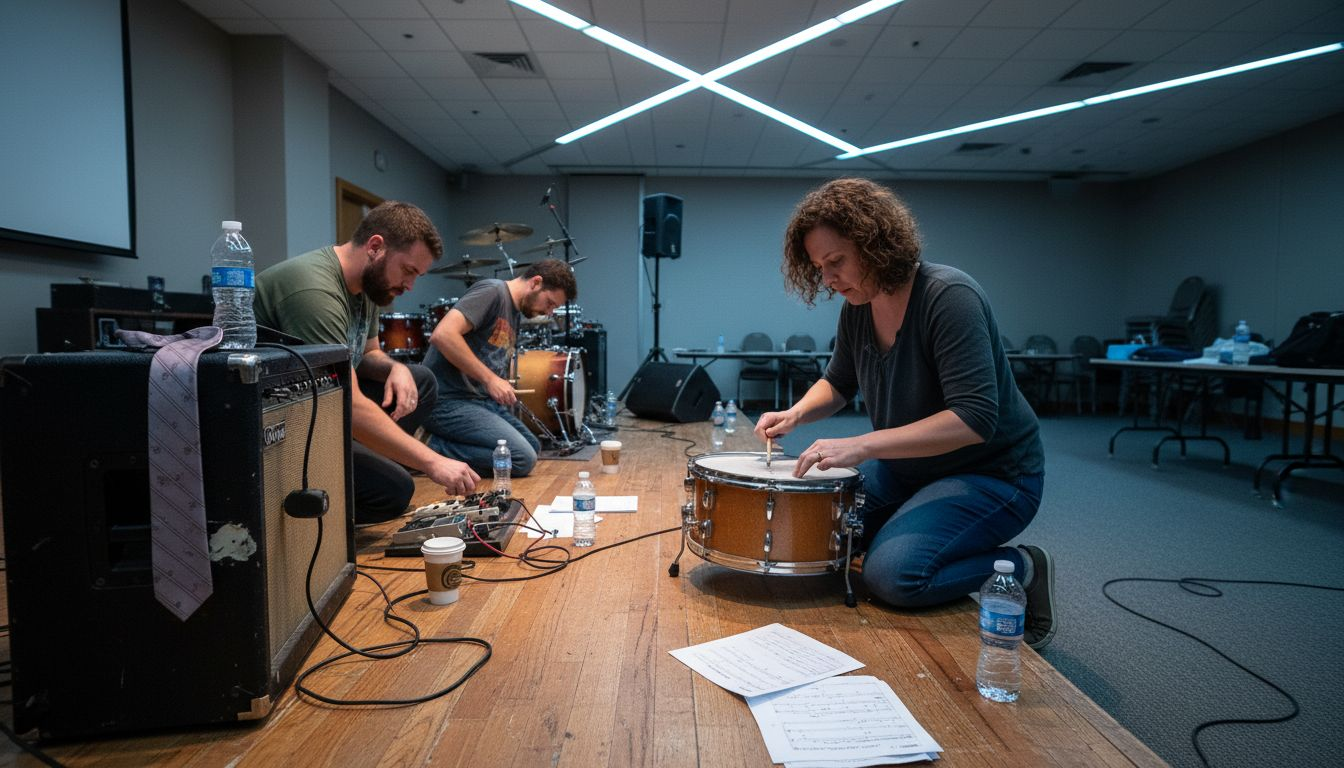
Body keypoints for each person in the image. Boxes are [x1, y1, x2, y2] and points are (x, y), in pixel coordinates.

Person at [754, 178, 1056, 649]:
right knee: (819, 538)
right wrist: (795, 414)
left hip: (994, 475)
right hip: (909, 470)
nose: (829, 278)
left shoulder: (949, 297)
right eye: (819, 267)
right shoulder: (859, 305)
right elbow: (838, 381)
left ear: (876, 243)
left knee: (893, 578)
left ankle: (1024, 566)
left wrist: (862, 444)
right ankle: (908, 530)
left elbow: (974, 418)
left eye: (836, 262)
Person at [254, 201, 480, 525]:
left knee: (421, 380)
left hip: (320, 408)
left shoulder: (367, 287)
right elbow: (348, 403)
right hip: (281, 428)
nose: (410, 286)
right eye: (408, 271)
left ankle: (360, 463)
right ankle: (321, 499)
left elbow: (368, 354)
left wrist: (395, 368)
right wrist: (433, 462)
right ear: (376, 247)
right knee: (396, 491)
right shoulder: (315, 291)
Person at [422, 259, 577, 476]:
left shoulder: (514, 311)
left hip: (477, 401)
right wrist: (490, 380)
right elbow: (443, 334)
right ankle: (426, 446)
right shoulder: (492, 291)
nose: (549, 312)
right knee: (521, 458)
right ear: (536, 283)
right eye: (550, 303)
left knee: (533, 446)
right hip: (446, 401)